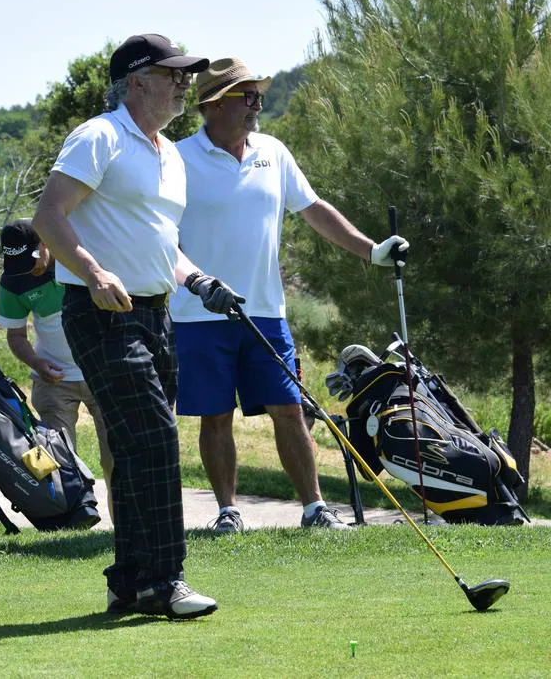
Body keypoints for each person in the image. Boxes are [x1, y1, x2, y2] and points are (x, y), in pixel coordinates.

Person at [33, 33, 242, 621]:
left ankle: (129, 582)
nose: (183, 82)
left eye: (185, 74)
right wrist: (95, 272)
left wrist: (200, 281)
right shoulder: (99, 136)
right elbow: (48, 216)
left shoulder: (170, 154)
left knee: (132, 446)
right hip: (101, 311)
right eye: (172, 73)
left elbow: (161, 243)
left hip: (158, 313)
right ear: (136, 81)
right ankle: (164, 580)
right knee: (153, 437)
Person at [170, 57, 408, 534]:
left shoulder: (273, 152)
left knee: (290, 409)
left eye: (259, 95)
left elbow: (314, 209)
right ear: (214, 104)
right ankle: (227, 511)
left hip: (265, 311)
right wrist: (193, 282)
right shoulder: (176, 159)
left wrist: (372, 251)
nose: (258, 103)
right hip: (200, 312)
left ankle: (315, 508)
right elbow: (161, 235)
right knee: (215, 417)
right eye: (247, 95)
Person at [0, 218, 114, 517]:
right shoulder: (13, 280)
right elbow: (16, 336)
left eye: (31, 258)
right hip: (54, 380)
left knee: (117, 459)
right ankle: (72, 525)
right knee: (59, 461)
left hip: (104, 372)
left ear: (45, 243)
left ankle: (123, 532)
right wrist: (36, 362)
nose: (27, 268)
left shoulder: (81, 259)